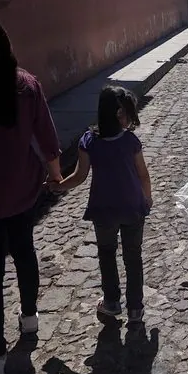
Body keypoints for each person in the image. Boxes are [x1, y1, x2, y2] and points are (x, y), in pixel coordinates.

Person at [0, 23, 62, 374]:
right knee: (24, 253)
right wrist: (55, 175)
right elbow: (47, 136)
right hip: (20, 191)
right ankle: (30, 317)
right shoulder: (26, 86)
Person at [57, 86, 152, 323]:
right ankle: (135, 308)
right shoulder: (130, 141)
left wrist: (57, 185)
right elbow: (143, 174)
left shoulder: (89, 141)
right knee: (133, 256)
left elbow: (79, 176)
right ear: (119, 113)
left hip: (104, 210)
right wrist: (147, 198)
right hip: (132, 207)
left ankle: (111, 302)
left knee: (107, 255)